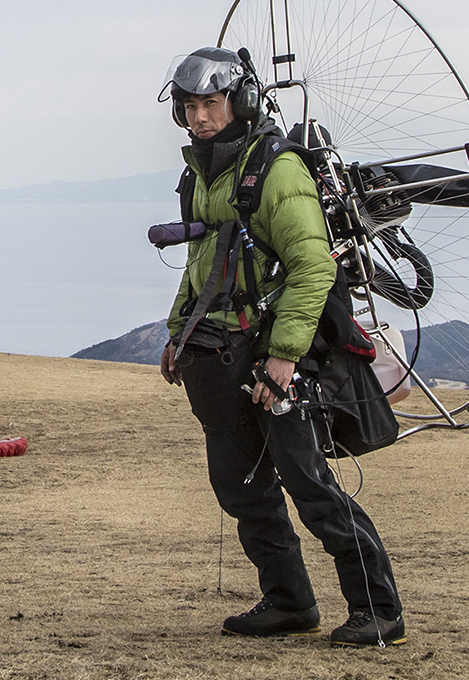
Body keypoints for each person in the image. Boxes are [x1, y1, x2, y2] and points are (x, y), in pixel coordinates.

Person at [156, 46, 405, 647]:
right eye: (189, 107)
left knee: (308, 482)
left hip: (274, 352)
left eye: (210, 104)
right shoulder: (201, 174)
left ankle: (379, 610)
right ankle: (289, 601)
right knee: (239, 483)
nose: (199, 118)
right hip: (218, 349)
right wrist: (176, 329)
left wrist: (285, 358)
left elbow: (313, 269)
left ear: (237, 100)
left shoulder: (277, 169)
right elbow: (203, 259)